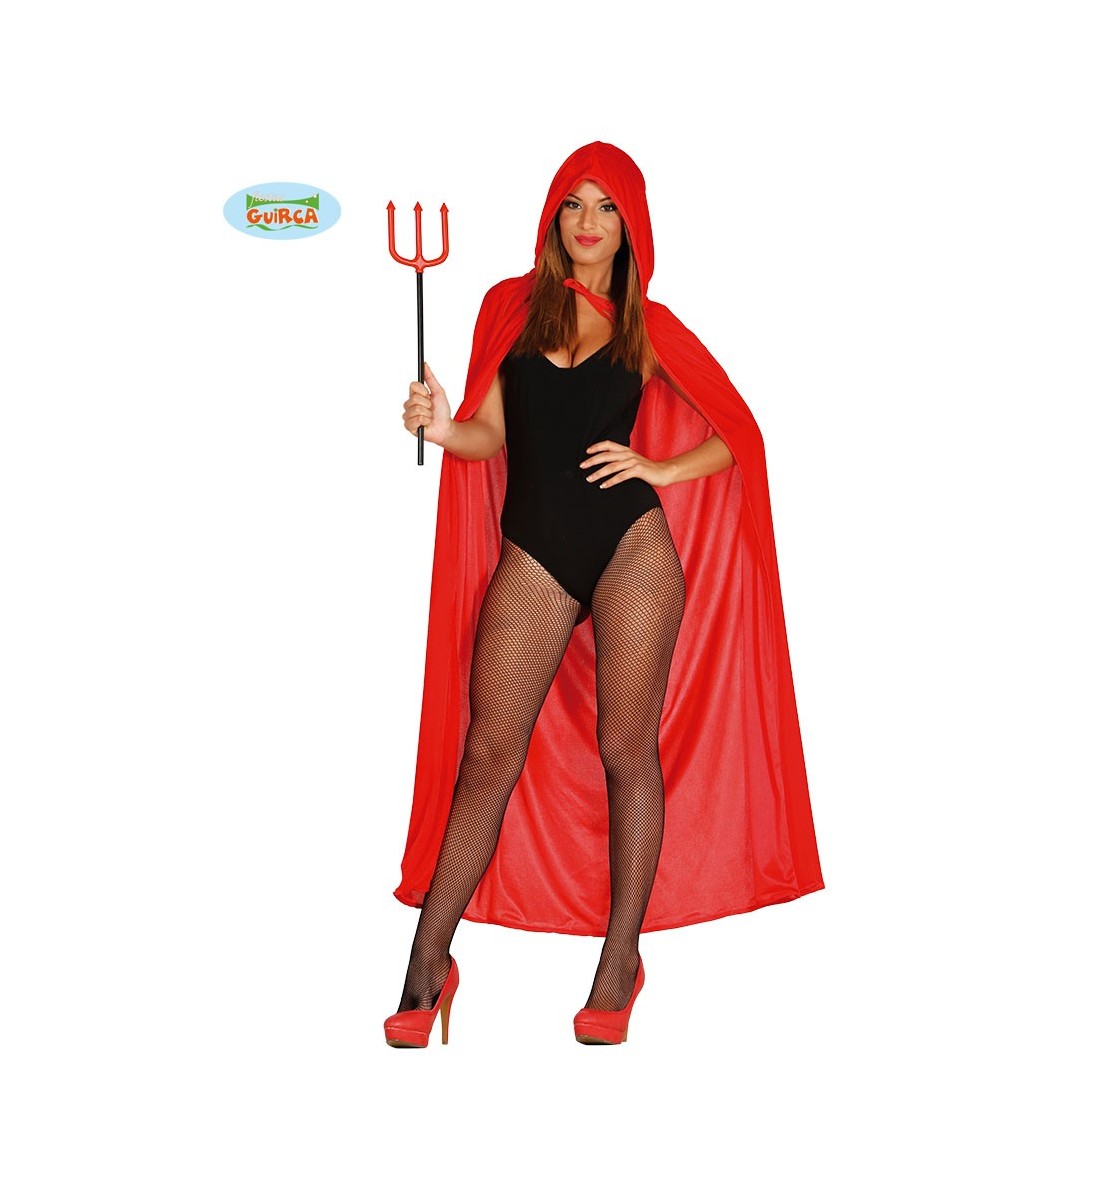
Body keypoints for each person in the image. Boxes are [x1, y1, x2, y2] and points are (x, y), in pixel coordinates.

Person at [385, 142, 823, 1049]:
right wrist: (442, 424)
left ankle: (619, 964)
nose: (588, 222)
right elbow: (487, 435)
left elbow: (740, 435)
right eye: (574, 204)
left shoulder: (647, 326)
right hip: (535, 552)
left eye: (607, 207)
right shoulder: (509, 308)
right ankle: (428, 964)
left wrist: (658, 468)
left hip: (632, 548)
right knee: (488, 756)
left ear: (631, 226)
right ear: (554, 218)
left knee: (627, 747)